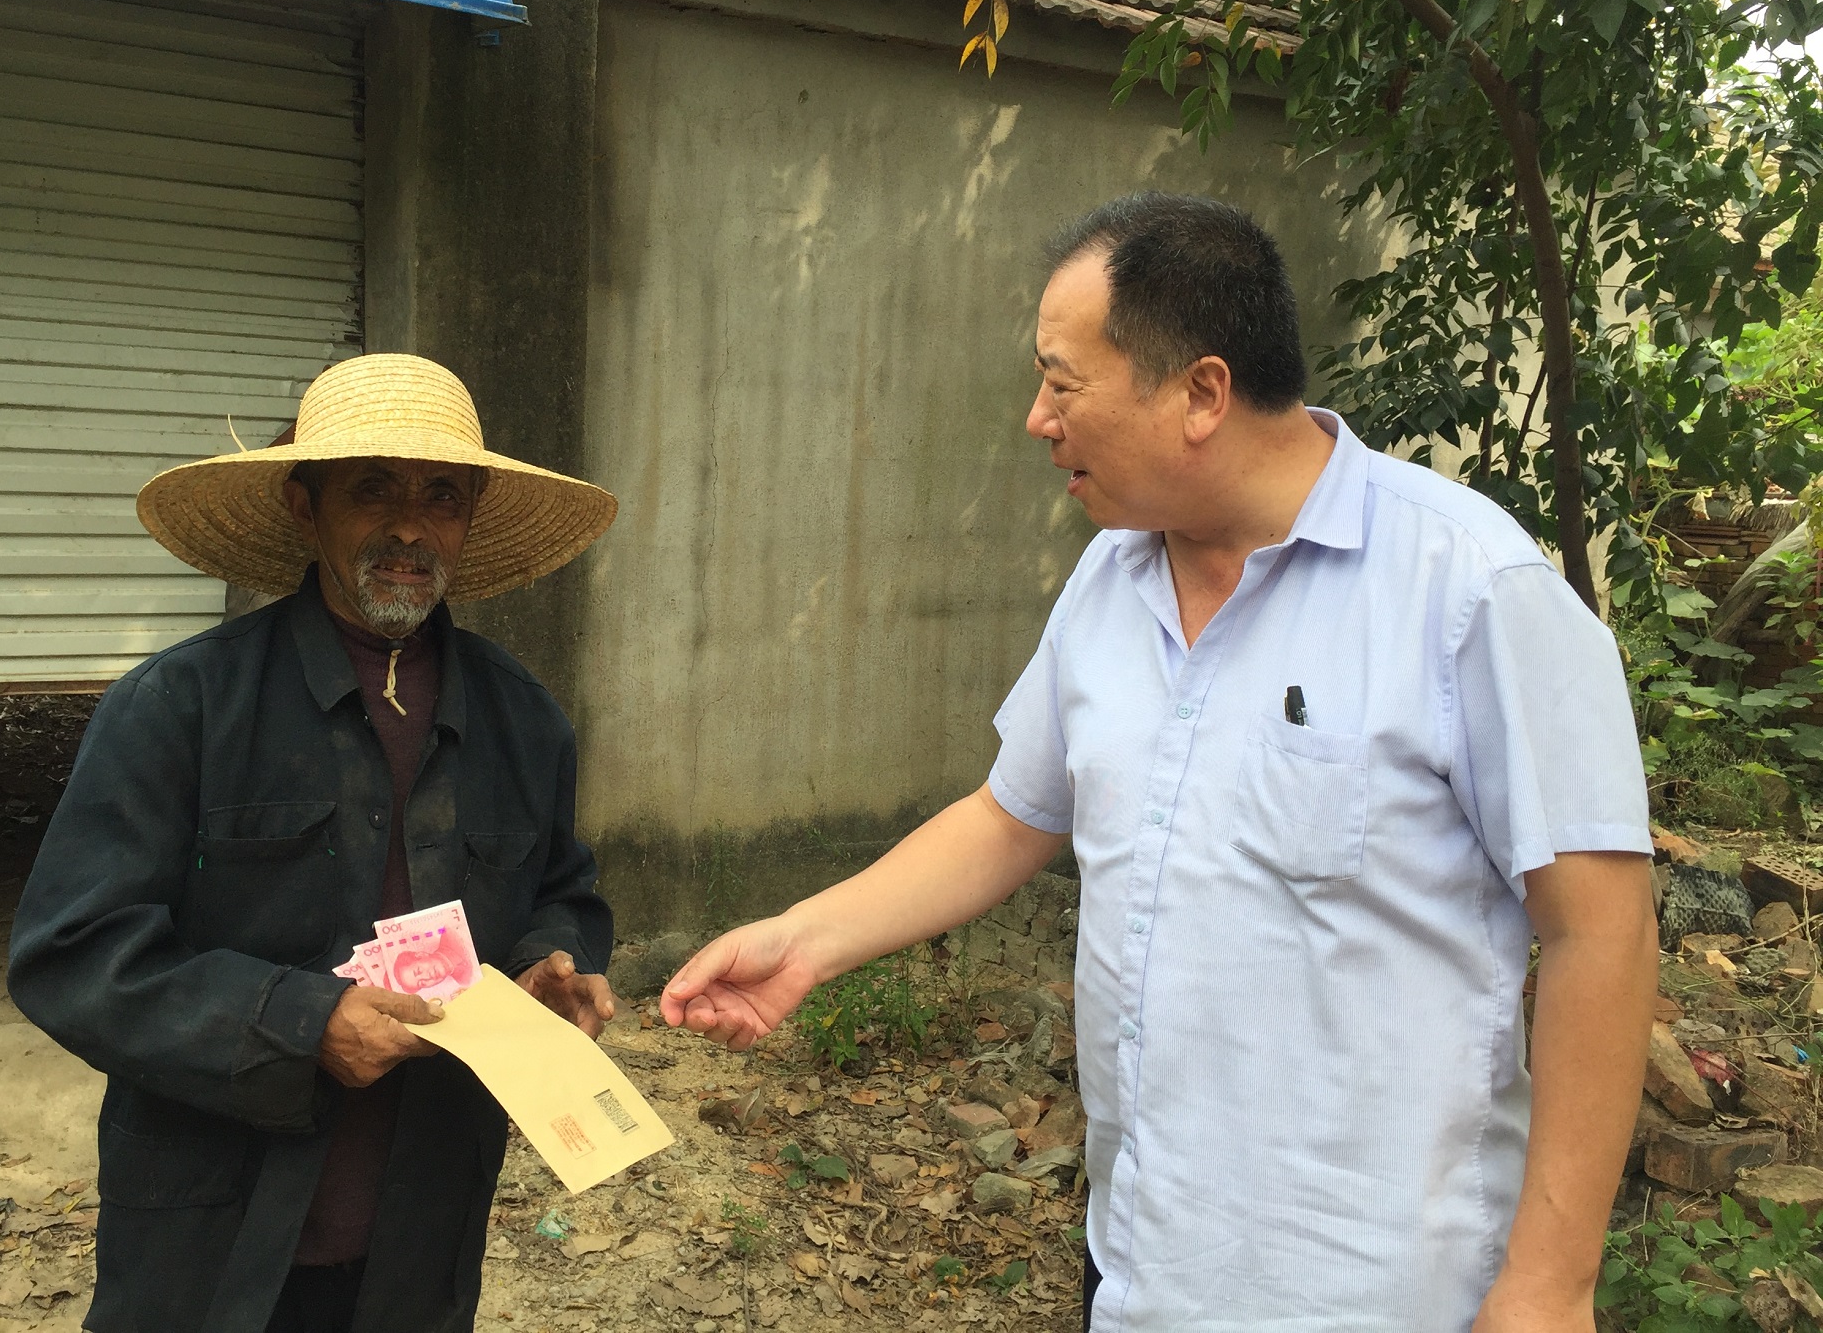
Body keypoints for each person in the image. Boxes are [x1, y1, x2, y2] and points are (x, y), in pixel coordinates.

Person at [663, 194, 1656, 1333]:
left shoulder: (1469, 589)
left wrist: (1549, 1284)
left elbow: (1602, 931)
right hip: (1142, 1261)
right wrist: (806, 940)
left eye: (1062, 383)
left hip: (1370, 1285)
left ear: (1200, 393)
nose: (1036, 419)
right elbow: (1012, 814)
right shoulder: (1112, 577)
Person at [8, 354, 622, 1333]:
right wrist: (303, 1025)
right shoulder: (179, 706)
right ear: (305, 506)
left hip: (421, 1229)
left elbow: (565, 888)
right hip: (206, 1236)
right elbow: (70, 954)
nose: (410, 527)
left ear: (469, 519)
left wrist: (551, 960)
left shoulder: (524, 721)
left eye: (442, 496)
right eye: (373, 488)